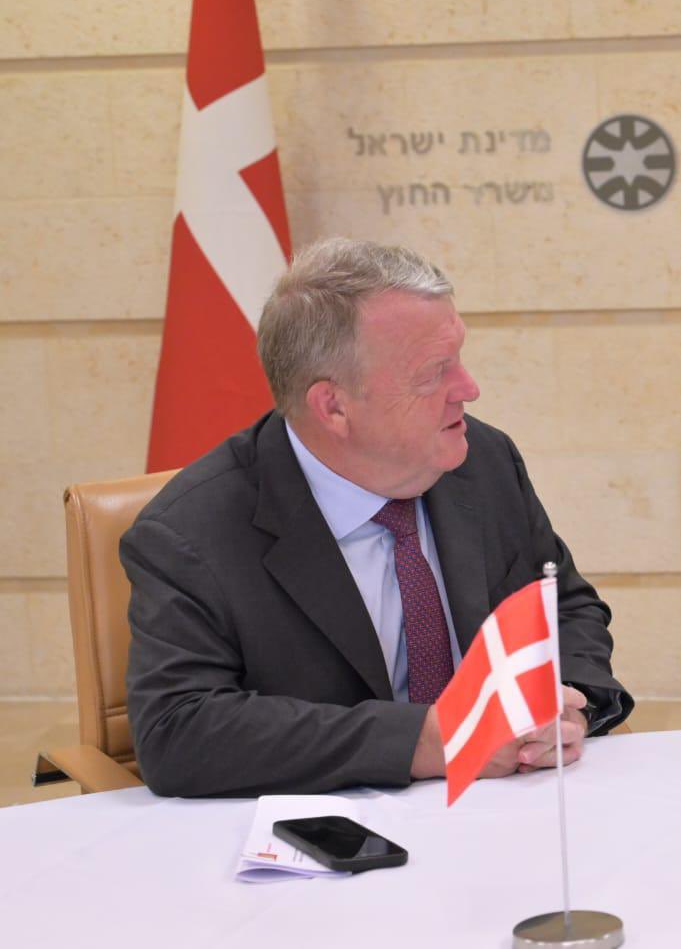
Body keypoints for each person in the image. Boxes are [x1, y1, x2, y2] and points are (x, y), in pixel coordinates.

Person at [123, 238, 632, 797]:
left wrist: (560, 708)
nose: (468, 389)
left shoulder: (481, 462)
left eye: (458, 358)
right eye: (434, 372)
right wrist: (425, 741)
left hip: (504, 805)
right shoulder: (190, 533)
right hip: (328, 840)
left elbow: (561, 603)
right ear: (333, 407)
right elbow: (179, 731)